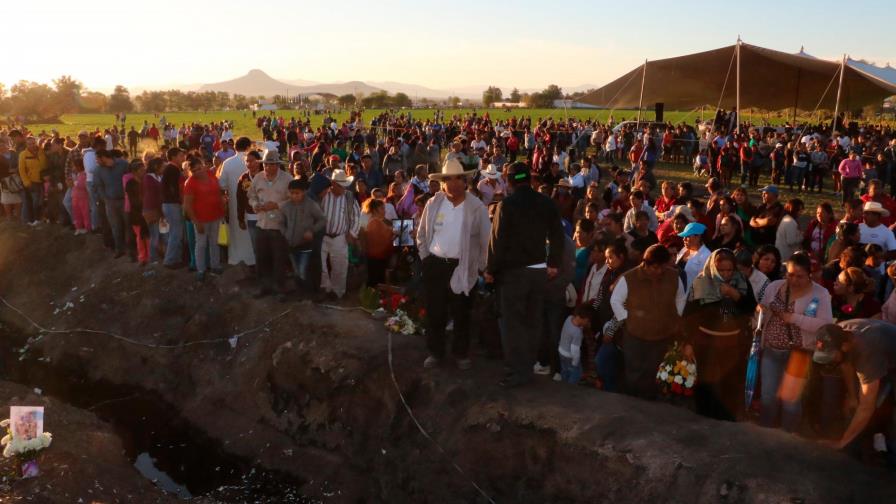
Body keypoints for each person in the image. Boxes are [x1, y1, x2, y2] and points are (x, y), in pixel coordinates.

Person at [486, 161, 564, 387]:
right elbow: (558, 235)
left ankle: (516, 372)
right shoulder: (545, 202)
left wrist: (491, 269)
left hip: (513, 273)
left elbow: (496, 242)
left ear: (509, 181)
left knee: (513, 324)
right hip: (539, 271)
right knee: (533, 322)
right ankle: (528, 367)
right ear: (529, 179)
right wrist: (554, 263)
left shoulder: (506, 205)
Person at [417, 158, 490, 370]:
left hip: (462, 266)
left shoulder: (476, 208)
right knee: (435, 312)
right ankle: (436, 352)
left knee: (461, 313)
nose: (452, 184)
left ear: (465, 181)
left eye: (457, 179)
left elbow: (486, 241)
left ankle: (460, 353)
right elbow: (422, 234)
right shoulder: (433, 203)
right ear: (443, 182)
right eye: (448, 179)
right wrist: (426, 258)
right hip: (435, 264)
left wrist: (481, 267)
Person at [757, 253, 833, 432]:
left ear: (809, 274)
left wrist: (793, 318)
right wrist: (760, 309)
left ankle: (788, 439)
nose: (794, 280)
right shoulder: (775, 287)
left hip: (799, 353)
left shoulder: (820, 293)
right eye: (790, 275)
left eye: (800, 276)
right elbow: (763, 307)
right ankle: (764, 436)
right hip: (772, 350)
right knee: (768, 397)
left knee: (791, 401)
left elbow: (825, 324)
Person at [684, 248, 757, 421]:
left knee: (730, 382)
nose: (725, 274)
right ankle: (704, 419)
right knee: (707, 382)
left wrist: (735, 294)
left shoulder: (742, 282)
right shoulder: (701, 283)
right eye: (721, 270)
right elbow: (689, 316)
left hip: (733, 342)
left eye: (729, 270)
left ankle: (727, 420)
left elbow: (750, 308)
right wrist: (687, 342)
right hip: (706, 342)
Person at [607, 244, 687, 399]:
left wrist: (676, 316)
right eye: (655, 267)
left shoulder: (673, 276)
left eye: (662, 267)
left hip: (663, 336)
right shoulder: (629, 278)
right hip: (635, 337)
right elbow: (615, 300)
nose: (659, 271)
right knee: (635, 374)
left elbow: (681, 298)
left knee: (656, 374)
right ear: (645, 263)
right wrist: (627, 319)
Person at [813, 321, 896, 466]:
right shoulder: (839, 331)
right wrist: (851, 396)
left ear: (845, 346)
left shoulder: (868, 350)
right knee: (862, 404)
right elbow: (845, 362)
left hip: (885, 355)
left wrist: (840, 443)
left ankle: (886, 457)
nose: (830, 360)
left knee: (878, 407)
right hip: (884, 353)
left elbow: (866, 406)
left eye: (831, 355)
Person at [248, 150, 292, 299]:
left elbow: (294, 200)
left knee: (279, 258)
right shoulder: (258, 178)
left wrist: (277, 205)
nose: (269, 167)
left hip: (279, 226)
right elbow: (251, 195)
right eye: (266, 164)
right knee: (261, 258)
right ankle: (264, 287)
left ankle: (280, 288)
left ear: (277, 165)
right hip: (262, 224)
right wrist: (255, 204)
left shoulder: (287, 179)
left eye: (272, 164)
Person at [319, 169, 361, 299]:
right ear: (333, 183)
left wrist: (352, 233)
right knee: (321, 266)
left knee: (340, 266)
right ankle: (325, 289)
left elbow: (357, 217)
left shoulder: (349, 197)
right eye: (340, 185)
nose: (343, 188)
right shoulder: (323, 195)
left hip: (340, 237)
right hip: (323, 236)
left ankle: (337, 293)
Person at [182, 155, 225, 280]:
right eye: (194, 171)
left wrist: (222, 208)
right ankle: (201, 270)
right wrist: (196, 222)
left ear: (203, 166)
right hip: (201, 219)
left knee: (214, 242)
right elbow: (187, 206)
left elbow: (218, 193)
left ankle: (215, 265)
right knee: (201, 244)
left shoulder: (211, 175)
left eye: (199, 168)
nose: (197, 172)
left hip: (216, 216)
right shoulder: (190, 183)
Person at [281, 178, 326, 291]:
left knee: (303, 269)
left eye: (297, 193)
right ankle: (300, 292)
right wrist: (285, 233)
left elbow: (322, 220)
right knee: (296, 270)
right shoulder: (286, 206)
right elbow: (280, 222)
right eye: (292, 193)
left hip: (305, 244)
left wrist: (312, 231)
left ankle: (308, 292)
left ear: (304, 192)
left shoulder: (311, 205)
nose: (294, 195)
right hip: (291, 244)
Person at [219, 137, 256, 266]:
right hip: (254, 204)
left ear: (234, 147)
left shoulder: (228, 163)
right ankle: (254, 259)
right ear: (248, 147)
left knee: (237, 232)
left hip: (235, 203)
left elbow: (222, 184)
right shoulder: (257, 159)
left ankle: (236, 258)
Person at [94, 149, 129, 257]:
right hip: (110, 202)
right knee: (115, 226)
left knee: (128, 225)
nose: (96, 161)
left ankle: (132, 250)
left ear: (103, 158)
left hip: (125, 200)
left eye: (97, 159)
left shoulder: (123, 164)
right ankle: (119, 250)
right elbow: (99, 186)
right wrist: (105, 199)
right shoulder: (98, 170)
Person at [161, 148, 187, 269]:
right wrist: (180, 201)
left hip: (169, 203)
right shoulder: (172, 169)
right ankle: (170, 260)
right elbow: (173, 188)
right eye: (180, 156)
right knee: (176, 233)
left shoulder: (171, 169)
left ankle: (175, 258)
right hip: (172, 204)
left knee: (175, 232)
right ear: (173, 157)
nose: (183, 158)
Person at [362, 198, 395, 287]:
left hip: (377, 256)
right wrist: (393, 233)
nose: (384, 211)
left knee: (376, 280)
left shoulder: (375, 221)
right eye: (382, 208)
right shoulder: (375, 222)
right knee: (375, 281)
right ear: (376, 210)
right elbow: (381, 239)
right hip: (376, 257)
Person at [557, 305, 593, 384]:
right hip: (570, 356)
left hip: (561, 351)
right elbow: (575, 350)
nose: (588, 323)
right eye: (587, 321)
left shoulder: (569, 318)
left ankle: (563, 385)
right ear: (585, 319)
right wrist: (575, 363)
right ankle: (570, 388)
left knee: (565, 370)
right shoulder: (577, 333)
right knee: (576, 373)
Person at [18, 136, 47, 225]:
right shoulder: (23, 154)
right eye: (29, 144)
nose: (32, 145)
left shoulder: (41, 151)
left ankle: (41, 218)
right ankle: (35, 219)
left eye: (33, 143)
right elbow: (21, 170)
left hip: (43, 181)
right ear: (26, 144)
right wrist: (26, 182)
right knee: (35, 201)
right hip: (32, 182)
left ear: (36, 143)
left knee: (42, 200)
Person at [676, 222, 711, 291]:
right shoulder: (684, 249)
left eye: (688, 236)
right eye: (684, 236)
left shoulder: (706, 256)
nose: (684, 239)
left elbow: (703, 281)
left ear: (698, 237)